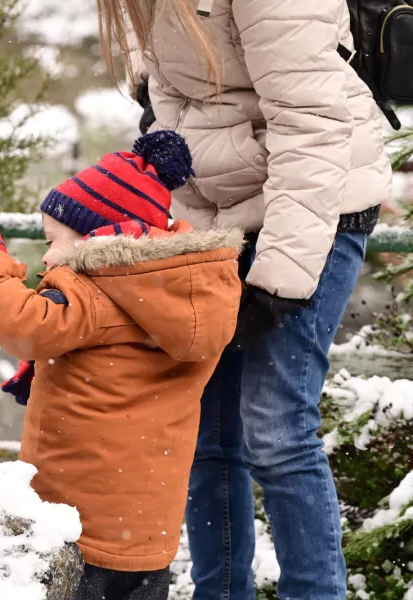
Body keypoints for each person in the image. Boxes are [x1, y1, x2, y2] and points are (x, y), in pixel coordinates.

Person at [93, 0, 393, 599]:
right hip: (220, 213)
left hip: (315, 204)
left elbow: (311, 123)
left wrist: (279, 275)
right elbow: (175, 110)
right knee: (204, 430)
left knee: (275, 426)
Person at [0, 131, 244, 600]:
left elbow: (16, 320)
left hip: (79, 526)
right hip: (148, 536)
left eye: (54, 241)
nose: (48, 257)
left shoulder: (92, 294)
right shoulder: (186, 292)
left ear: (96, 238)